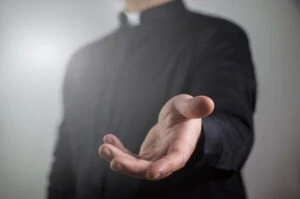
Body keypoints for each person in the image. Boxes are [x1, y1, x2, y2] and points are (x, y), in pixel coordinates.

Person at [47, 0, 257, 198]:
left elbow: (234, 133)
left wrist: (198, 136)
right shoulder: (82, 59)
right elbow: (65, 160)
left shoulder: (218, 35)